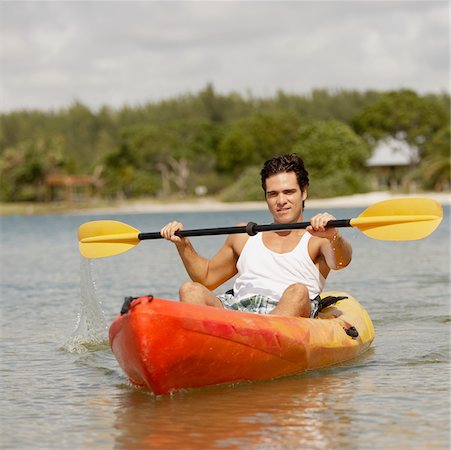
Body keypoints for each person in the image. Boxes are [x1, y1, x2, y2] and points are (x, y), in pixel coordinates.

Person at [160, 153, 352, 318]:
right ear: (266, 197)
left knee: (297, 292)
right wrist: (182, 243)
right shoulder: (244, 235)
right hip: (240, 309)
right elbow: (207, 279)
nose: (281, 201)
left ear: (304, 192)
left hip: (289, 313)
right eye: (273, 194)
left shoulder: (318, 238)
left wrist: (334, 235)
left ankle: (262, 344)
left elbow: (342, 262)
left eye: (289, 192)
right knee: (190, 289)